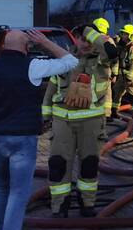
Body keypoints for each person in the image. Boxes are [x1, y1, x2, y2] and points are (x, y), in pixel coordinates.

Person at [0, 26, 78, 230]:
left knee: (1, 192)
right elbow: (71, 61)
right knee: (18, 196)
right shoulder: (33, 66)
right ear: (27, 46)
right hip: (22, 140)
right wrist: (46, 43)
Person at [42, 23, 118, 218]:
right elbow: (51, 89)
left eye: (88, 38)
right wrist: (44, 117)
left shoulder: (102, 60)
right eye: (81, 38)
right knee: (59, 164)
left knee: (89, 164)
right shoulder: (64, 59)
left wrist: (90, 33)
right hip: (63, 122)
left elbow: (111, 50)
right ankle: (60, 206)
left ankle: (87, 204)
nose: (84, 43)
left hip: (91, 123)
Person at [112, 24, 133, 135]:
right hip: (122, 74)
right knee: (117, 91)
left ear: (131, 35)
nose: (123, 35)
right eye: (123, 33)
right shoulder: (124, 45)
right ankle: (114, 111)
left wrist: (129, 76)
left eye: (125, 34)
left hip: (132, 75)